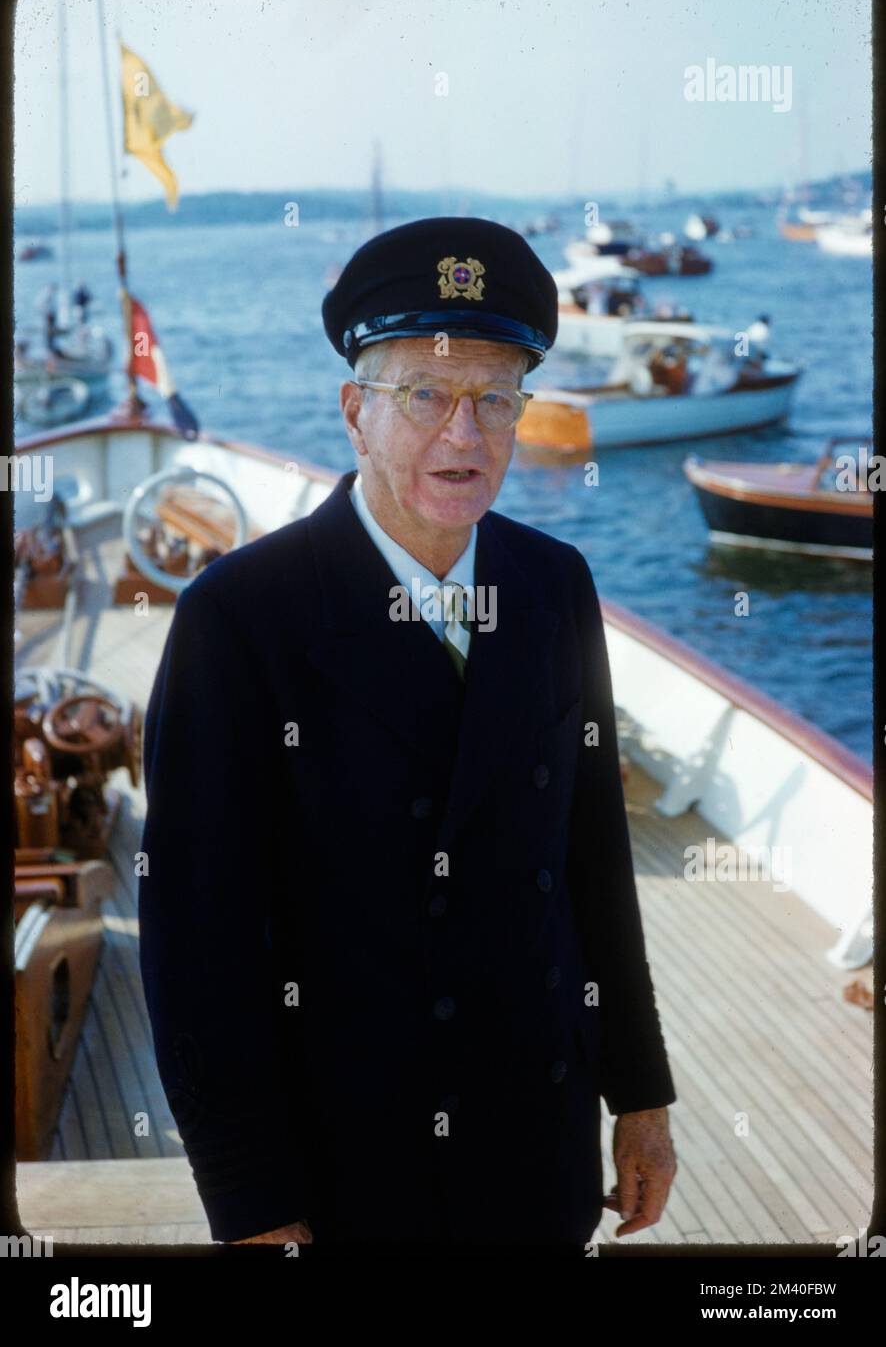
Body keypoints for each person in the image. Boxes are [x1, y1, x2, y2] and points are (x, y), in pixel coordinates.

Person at [138, 217, 678, 1255]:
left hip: (537, 1148)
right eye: (425, 396)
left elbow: (592, 858)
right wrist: (253, 1203)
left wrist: (640, 1093)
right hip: (348, 1169)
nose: (463, 436)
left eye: (494, 398)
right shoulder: (242, 617)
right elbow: (195, 942)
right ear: (356, 412)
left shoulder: (551, 584)